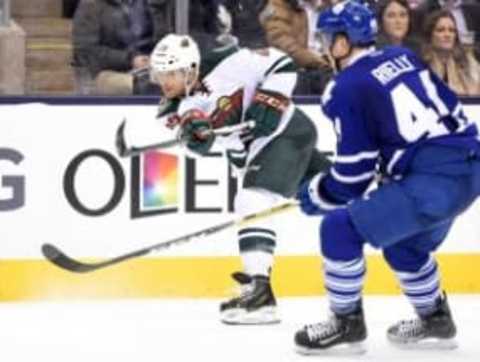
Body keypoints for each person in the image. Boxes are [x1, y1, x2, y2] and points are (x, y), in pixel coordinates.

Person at [293, 0, 480, 355]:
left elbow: (353, 175)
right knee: (404, 245)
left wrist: (319, 194)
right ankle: (435, 319)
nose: (324, 45)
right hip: (470, 169)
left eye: (328, 38)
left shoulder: (345, 86)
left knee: (338, 228)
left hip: (433, 182)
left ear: (344, 42)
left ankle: (346, 322)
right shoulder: (403, 57)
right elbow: (446, 112)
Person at [119, 34, 331, 324]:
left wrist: (270, 101)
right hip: (256, 154)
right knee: (339, 191)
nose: (164, 82)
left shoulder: (229, 60)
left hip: (284, 134)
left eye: (171, 73)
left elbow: (282, 64)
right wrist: (198, 140)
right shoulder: (170, 110)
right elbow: (202, 140)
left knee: (252, 199)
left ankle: (259, 293)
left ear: (190, 70)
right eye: (160, 74)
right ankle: (390, 203)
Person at [73, 0, 155, 95]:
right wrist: (131, 60)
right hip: (99, 74)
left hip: (139, 69)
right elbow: (88, 52)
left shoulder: (138, 5)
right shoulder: (90, 6)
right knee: (144, 86)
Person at [421, 9, 480, 96]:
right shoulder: (421, 64)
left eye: (451, 30)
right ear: (430, 35)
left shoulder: (468, 61)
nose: (447, 35)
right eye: (440, 30)